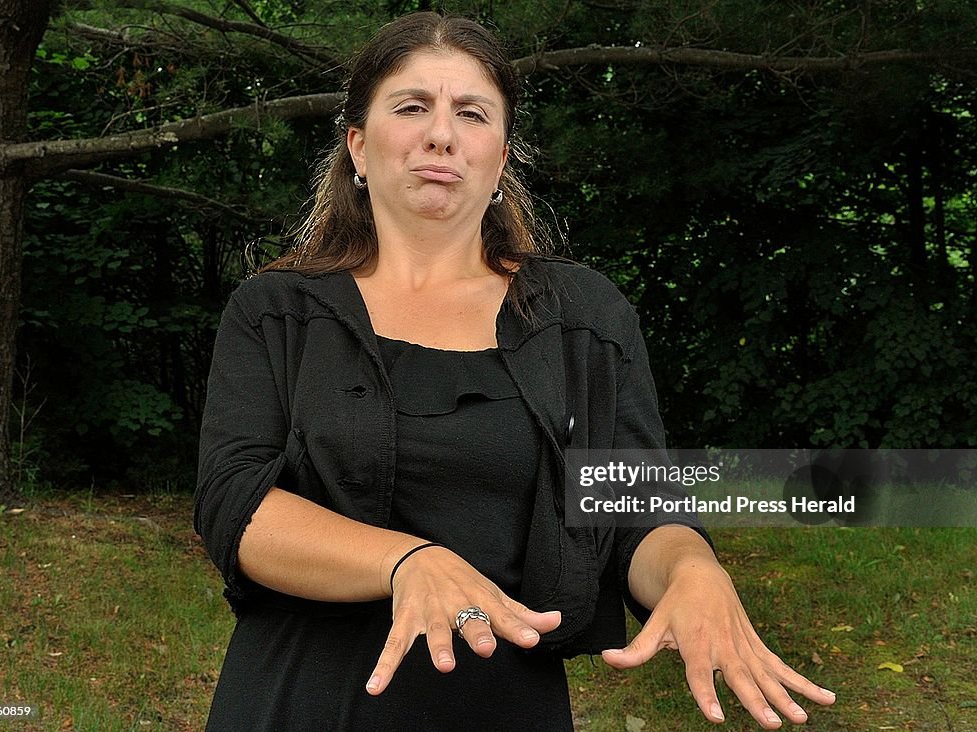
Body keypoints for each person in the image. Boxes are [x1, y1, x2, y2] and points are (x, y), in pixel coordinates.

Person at [194, 11, 836, 731]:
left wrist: (693, 569)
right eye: (411, 107)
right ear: (359, 148)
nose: (441, 133)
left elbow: (637, 511)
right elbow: (235, 505)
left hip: (502, 709)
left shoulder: (583, 318)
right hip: (300, 704)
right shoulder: (276, 312)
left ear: (499, 161)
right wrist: (407, 561)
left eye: (471, 113)